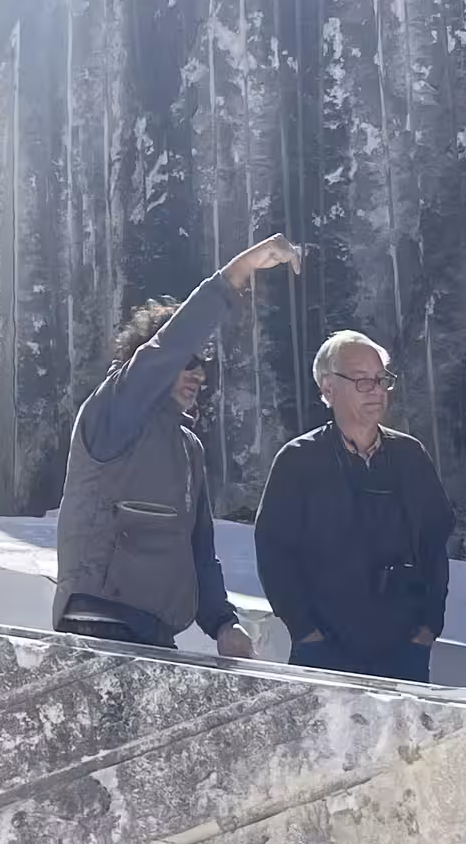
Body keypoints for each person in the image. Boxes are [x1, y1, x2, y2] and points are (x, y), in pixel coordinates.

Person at [53, 234, 302, 655]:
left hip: (156, 631)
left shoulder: (187, 447)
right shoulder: (115, 412)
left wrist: (222, 623)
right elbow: (169, 345)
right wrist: (236, 274)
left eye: (203, 363)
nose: (198, 373)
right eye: (188, 360)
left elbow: (198, 549)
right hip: (99, 622)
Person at [253, 331, 455, 680]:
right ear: (328, 389)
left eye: (381, 380)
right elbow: (274, 552)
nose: (376, 390)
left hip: (403, 649)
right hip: (324, 648)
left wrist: (427, 628)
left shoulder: (410, 457)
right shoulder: (298, 460)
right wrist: (305, 632)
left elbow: (435, 542)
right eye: (362, 381)